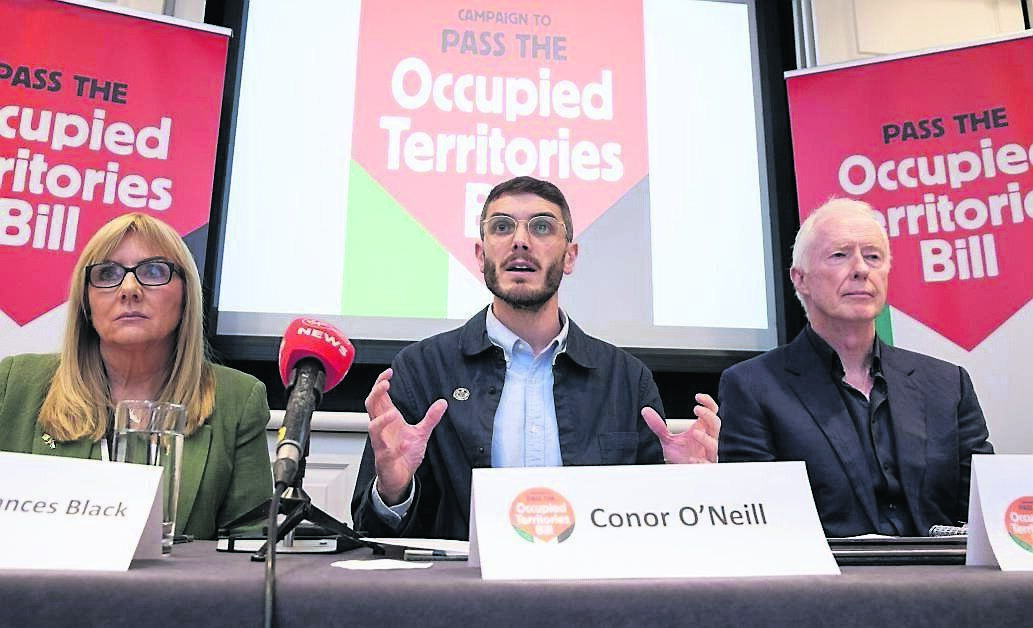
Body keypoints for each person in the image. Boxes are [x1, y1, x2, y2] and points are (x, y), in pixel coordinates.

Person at [352, 176, 721, 540]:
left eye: (542, 227)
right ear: (481, 256)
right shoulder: (421, 369)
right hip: (463, 591)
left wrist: (689, 488)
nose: (520, 241)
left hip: (590, 590)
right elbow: (372, 529)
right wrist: (393, 489)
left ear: (570, 256)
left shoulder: (625, 378)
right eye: (501, 227)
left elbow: (652, 528)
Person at [718, 198, 993, 537]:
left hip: (941, 578)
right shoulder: (753, 386)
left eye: (874, 257)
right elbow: (759, 523)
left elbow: (987, 509)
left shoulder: (948, 384)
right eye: (840, 255)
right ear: (800, 279)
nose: (862, 269)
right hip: (829, 582)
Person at [0, 213, 272, 539]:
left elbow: (249, 544)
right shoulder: (14, 383)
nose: (129, 289)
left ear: (186, 295)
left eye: (154, 271)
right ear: (86, 301)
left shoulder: (237, 399)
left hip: (177, 590)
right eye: (107, 273)